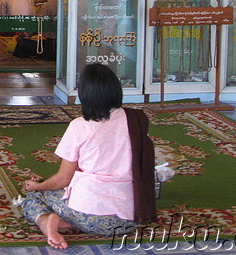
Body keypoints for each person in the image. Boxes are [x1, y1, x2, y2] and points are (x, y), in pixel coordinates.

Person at [18, 63, 156, 249]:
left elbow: (63, 179)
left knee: (34, 198)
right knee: (53, 190)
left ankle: (46, 223)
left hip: (91, 215)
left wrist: (38, 186)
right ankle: (63, 222)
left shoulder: (80, 126)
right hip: (131, 218)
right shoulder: (134, 118)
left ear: (84, 94)